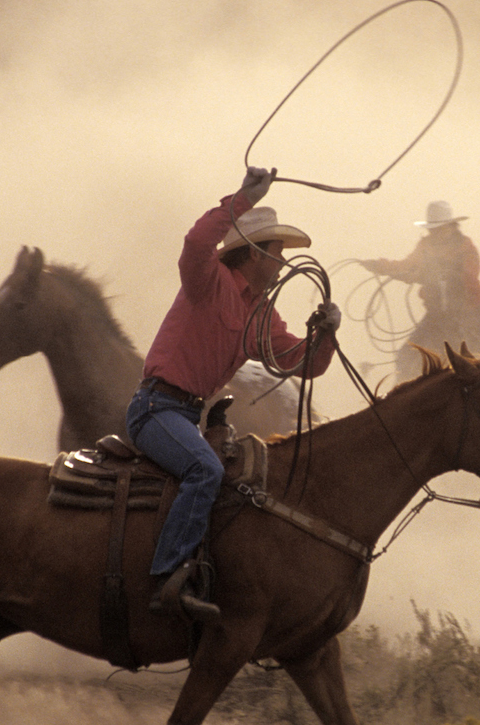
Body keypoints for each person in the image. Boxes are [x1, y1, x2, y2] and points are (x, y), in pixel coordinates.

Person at [128, 167, 341, 622]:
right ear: (254, 253)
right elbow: (195, 244)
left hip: (187, 417)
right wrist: (240, 199)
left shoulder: (261, 314)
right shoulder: (209, 282)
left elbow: (301, 364)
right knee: (205, 471)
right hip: (155, 408)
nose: (284, 263)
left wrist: (325, 333)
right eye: (277, 252)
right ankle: (167, 578)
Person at [360, 200, 480, 424]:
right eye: (433, 228)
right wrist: (380, 266)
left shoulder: (466, 248)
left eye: (439, 228)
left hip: (471, 315)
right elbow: (408, 269)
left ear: (450, 227)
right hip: (436, 317)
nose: (435, 232)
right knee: (406, 356)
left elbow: (467, 278)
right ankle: (396, 410)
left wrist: (440, 274)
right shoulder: (425, 247)